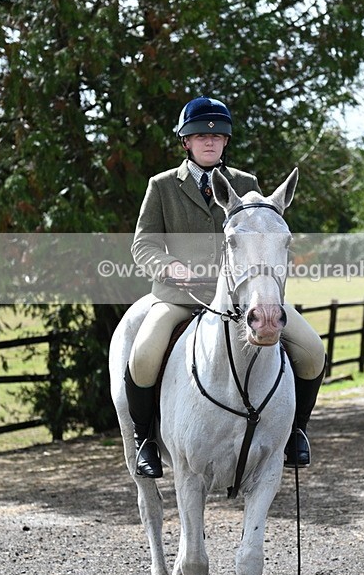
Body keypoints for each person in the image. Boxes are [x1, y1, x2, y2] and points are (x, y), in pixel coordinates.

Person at [125, 95, 326, 478]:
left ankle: (295, 432)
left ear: (226, 142)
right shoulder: (163, 185)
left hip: (242, 299)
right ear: (185, 141)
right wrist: (170, 267)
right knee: (145, 353)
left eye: (216, 137)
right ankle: (146, 439)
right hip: (180, 297)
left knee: (313, 350)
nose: (209, 142)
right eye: (200, 135)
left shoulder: (246, 184)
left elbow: (262, 236)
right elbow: (143, 244)